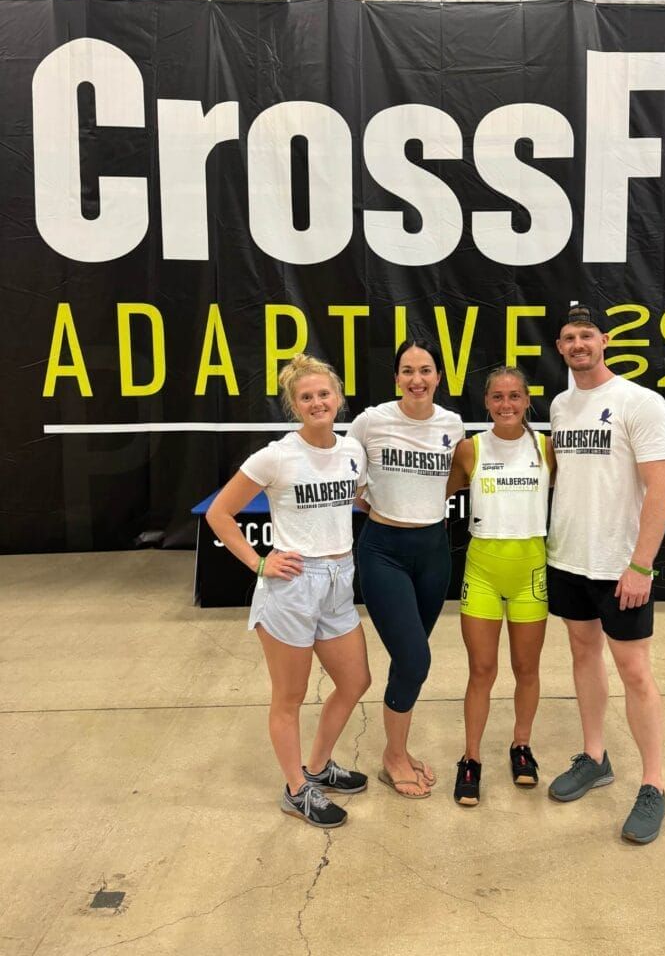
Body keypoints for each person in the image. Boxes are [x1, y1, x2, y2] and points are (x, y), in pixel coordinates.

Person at [206, 354, 371, 829]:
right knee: (290, 695)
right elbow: (220, 514)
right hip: (293, 586)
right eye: (307, 397)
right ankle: (296, 789)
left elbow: (358, 498)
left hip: (340, 579)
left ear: (338, 398)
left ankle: (317, 767)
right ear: (294, 406)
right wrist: (259, 562)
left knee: (356, 680)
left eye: (324, 394)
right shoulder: (276, 455)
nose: (317, 402)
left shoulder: (351, 451)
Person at [546, 305, 665, 844]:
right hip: (568, 558)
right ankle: (595, 757)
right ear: (559, 347)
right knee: (582, 655)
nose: (579, 344)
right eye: (569, 337)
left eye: (587, 335)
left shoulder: (639, 402)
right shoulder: (559, 404)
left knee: (636, 672)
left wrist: (641, 564)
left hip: (620, 567)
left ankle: (654, 784)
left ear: (605, 341)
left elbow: (661, 486)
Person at [347, 338, 464, 798]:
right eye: (408, 370)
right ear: (396, 377)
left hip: (434, 551)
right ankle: (393, 757)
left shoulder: (451, 425)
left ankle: (400, 748)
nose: (417, 379)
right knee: (416, 658)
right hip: (384, 550)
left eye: (426, 370)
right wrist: (378, 503)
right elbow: (346, 477)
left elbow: (453, 478)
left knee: (406, 659)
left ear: (438, 377)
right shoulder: (370, 422)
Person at [446, 366, 554, 806]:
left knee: (527, 670)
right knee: (482, 671)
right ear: (486, 402)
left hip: (531, 571)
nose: (506, 404)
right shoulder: (469, 449)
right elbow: (435, 495)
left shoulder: (547, 448)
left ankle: (521, 746)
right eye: (497, 397)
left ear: (527, 400)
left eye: (514, 396)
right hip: (483, 571)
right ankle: (470, 758)